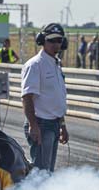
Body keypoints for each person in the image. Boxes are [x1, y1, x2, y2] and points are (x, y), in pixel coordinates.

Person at [21, 22, 69, 172]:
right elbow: (27, 97)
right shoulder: (35, 65)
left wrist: (62, 124)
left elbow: (57, 97)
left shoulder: (56, 64)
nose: (56, 44)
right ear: (42, 41)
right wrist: (33, 125)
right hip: (41, 124)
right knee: (41, 173)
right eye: (52, 40)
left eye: (59, 40)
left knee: (48, 173)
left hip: (54, 124)